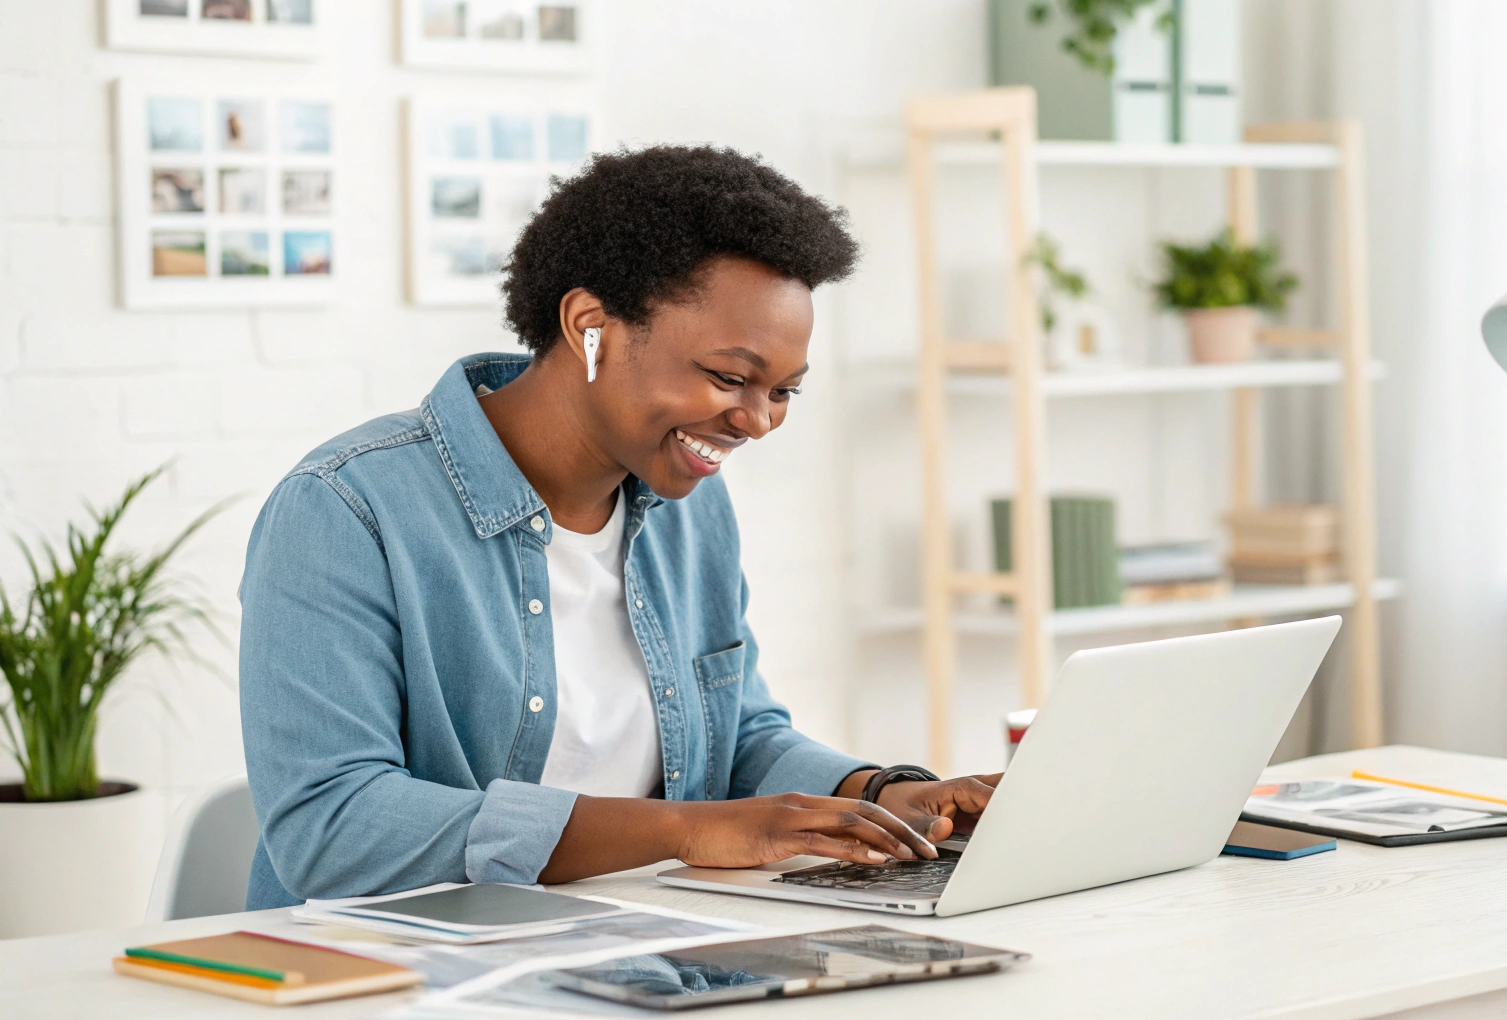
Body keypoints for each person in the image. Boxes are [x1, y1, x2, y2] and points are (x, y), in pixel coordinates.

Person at [238, 145, 999, 910]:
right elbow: (332, 829)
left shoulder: (689, 506)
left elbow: (735, 738)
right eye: (731, 378)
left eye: (783, 391)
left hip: (641, 947)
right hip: (401, 974)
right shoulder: (346, 510)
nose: (759, 421)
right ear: (589, 325)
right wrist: (683, 830)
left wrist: (878, 793)